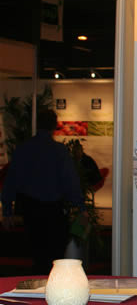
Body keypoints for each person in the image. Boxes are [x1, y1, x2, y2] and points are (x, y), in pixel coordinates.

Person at [1, 109, 84, 274]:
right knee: (56, 257)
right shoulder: (59, 151)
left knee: (37, 255)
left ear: (37, 124)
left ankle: (38, 282)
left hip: (31, 210)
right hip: (54, 211)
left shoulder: (23, 149)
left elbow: (11, 181)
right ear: (54, 126)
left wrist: (7, 211)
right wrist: (80, 207)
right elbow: (70, 181)